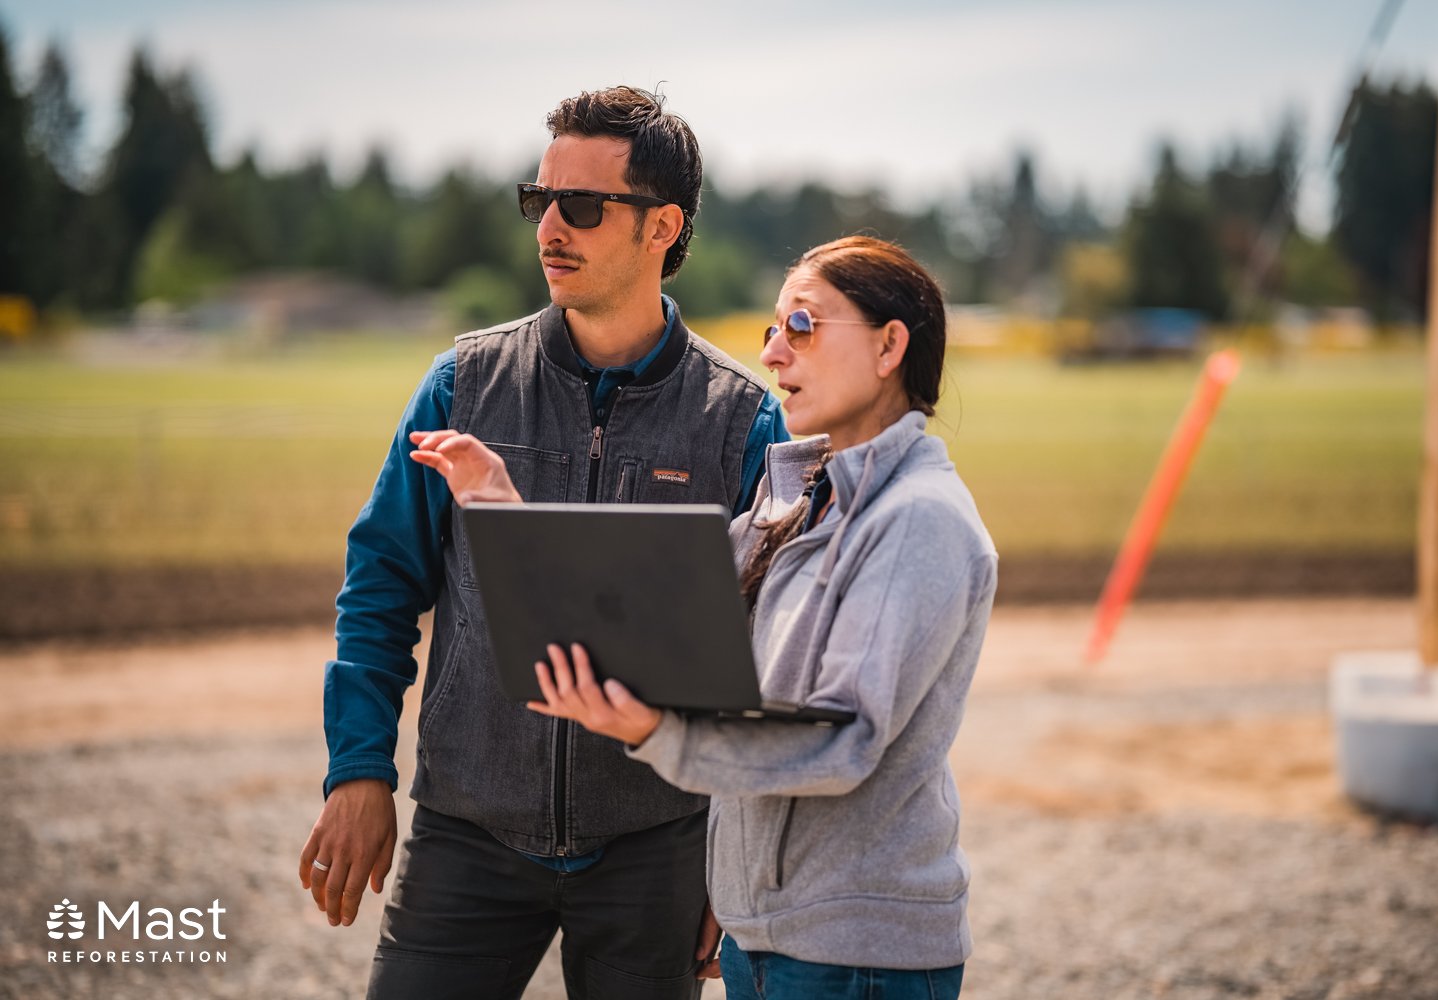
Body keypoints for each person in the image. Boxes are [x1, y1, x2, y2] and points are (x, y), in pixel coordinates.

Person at [297, 85, 787, 1000]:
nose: (549, 226)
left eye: (583, 205)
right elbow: (380, 584)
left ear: (661, 228)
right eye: (540, 199)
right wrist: (358, 768)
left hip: (660, 844)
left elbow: (766, 656)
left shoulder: (744, 423)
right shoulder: (461, 386)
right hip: (467, 831)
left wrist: (740, 852)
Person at [436, 236, 998, 1000]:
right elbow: (647, 607)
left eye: (801, 326)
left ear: (889, 345)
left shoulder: (918, 519)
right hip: (768, 942)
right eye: (771, 330)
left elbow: (842, 740)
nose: (773, 354)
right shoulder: (796, 500)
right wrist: (507, 516)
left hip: (858, 955)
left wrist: (654, 734)